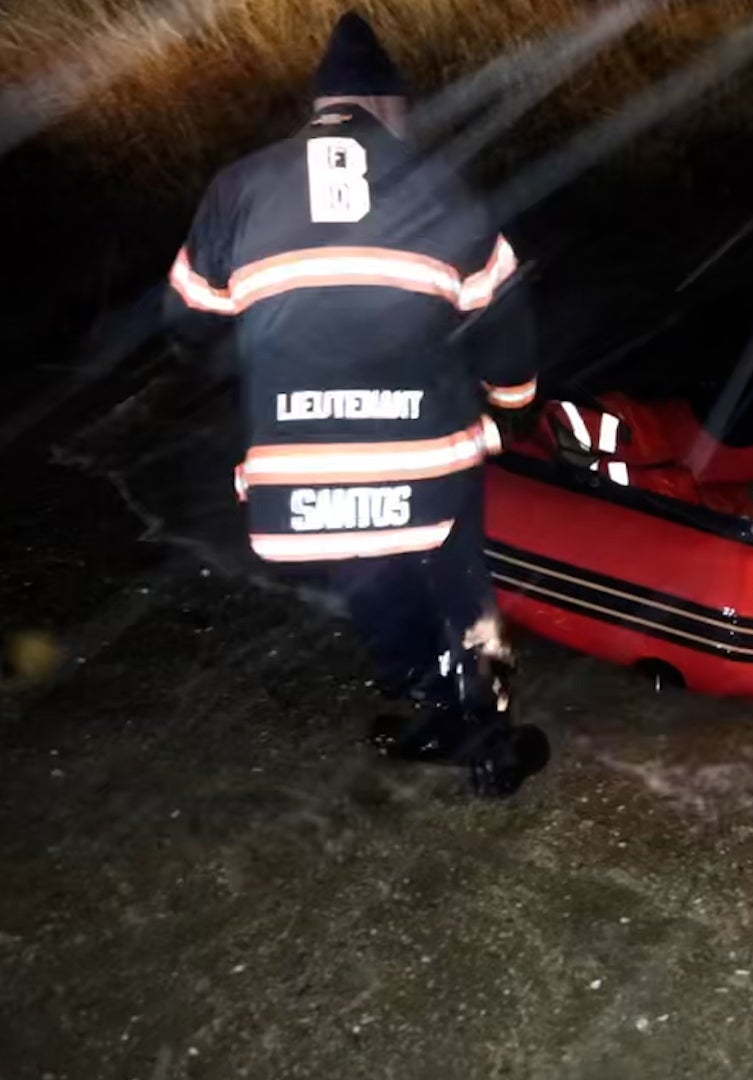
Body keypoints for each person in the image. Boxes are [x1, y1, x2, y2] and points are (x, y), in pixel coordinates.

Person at [161, 12, 548, 799]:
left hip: (299, 470)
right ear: (391, 107)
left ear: (320, 107)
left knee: (367, 561)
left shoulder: (237, 185)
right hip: (427, 455)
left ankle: (430, 698)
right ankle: (484, 709)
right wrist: (515, 400)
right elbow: (502, 324)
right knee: (451, 547)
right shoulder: (442, 183)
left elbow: (185, 324)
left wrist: (261, 377)